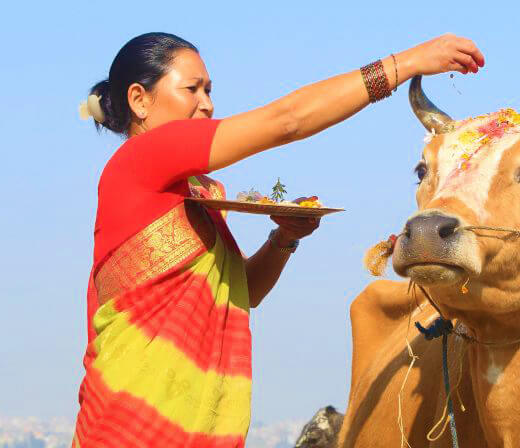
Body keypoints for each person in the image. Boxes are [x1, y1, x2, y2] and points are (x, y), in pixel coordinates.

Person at [72, 31, 484, 447]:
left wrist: (285, 237)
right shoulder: (141, 159)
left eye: (210, 89)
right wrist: (407, 63)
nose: (207, 103)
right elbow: (287, 121)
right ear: (140, 100)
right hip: (130, 428)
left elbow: (243, 290)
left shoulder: (195, 191)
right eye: (192, 89)